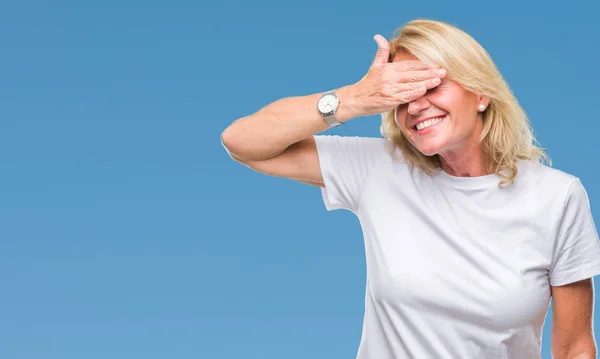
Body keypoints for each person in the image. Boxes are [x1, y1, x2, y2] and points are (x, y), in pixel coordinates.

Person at [220, 19, 600, 359]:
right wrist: (355, 99)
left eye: (432, 85)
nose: (416, 106)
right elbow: (242, 141)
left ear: (482, 94)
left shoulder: (557, 197)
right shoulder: (378, 167)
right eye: (402, 94)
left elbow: (573, 346)